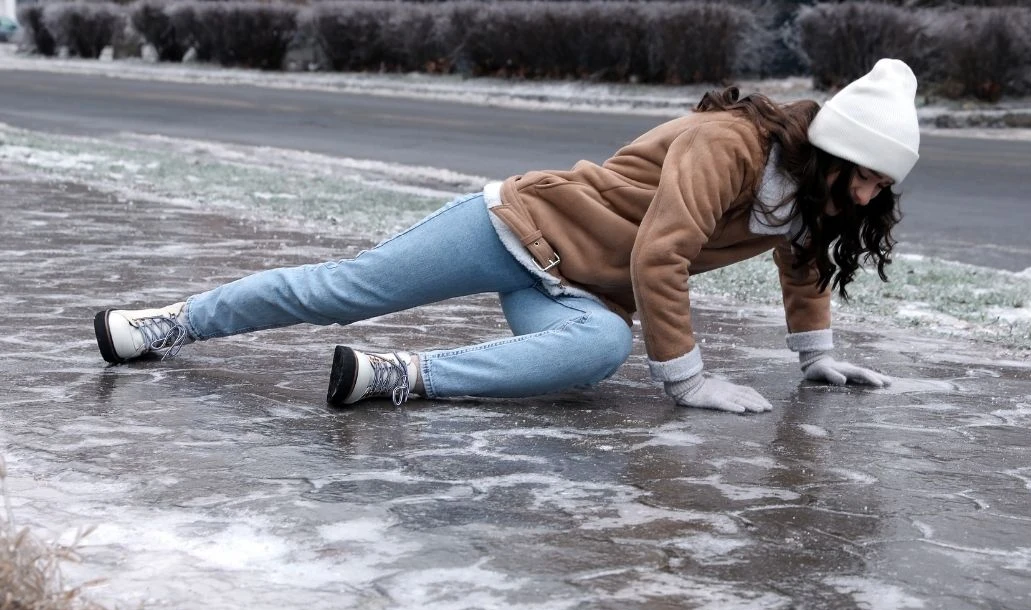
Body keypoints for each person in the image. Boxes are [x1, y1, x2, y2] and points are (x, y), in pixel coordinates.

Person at [93, 59, 920, 414]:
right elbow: (660, 254)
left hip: (581, 289)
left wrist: (815, 357)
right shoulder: (729, 146)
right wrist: (689, 381)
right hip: (516, 226)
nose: (868, 194)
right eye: (864, 175)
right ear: (830, 151)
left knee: (598, 350)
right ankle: (167, 323)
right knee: (345, 291)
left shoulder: (808, 194)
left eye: (882, 185)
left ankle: (397, 376)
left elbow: (802, 257)